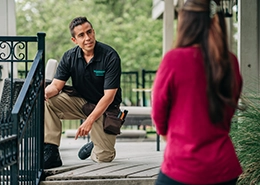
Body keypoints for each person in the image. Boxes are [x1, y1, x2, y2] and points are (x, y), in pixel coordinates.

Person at [151, 0, 243, 184]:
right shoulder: (230, 62)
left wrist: (173, 138)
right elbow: (229, 110)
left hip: (181, 167)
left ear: (185, 23)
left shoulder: (173, 60)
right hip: (223, 168)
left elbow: (159, 114)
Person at [44, 16, 122, 169]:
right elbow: (56, 86)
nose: (87, 38)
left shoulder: (110, 56)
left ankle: (96, 144)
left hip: (105, 108)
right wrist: (43, 93)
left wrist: (89, 121)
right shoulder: (69, 57)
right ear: (74, 40)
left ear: (93, 32)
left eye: (89, 32)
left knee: (104, 157)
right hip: (82, 102)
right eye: (81, 35)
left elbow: (109, 96)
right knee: (48, 102)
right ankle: (51, 151)